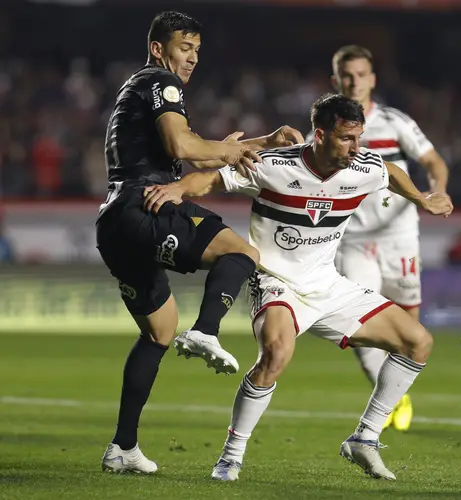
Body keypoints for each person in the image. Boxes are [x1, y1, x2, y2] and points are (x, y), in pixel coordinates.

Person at [143, 93, 453, 481]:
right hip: (276, 282)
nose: (356, 148)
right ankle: (230, 457)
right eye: (346, 139)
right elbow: (212, 178)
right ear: (319, 135)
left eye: (359, 138)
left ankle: (365, 438)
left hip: (327, 285)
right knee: (276, 353)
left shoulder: (363, 166)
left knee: (418, 342)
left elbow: (389, 172)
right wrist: (178, 190)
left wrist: (421, 199)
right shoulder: (273, 165)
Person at [96, 11, 303, 474]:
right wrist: (226, 149)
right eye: (184, 48)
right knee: (242, 253)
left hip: (114, 223)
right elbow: (181, 146)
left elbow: (193, 144)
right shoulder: (160, 83)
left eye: (196, 51)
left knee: (158, 333)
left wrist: (261, 141)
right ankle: (207, 330)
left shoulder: (140, 88)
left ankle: (123, 447)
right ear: (158, 48)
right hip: (144, 205)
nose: (191, 59)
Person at [314, 45, 450, 431]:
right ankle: (392, 396)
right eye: (346, 75)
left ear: (372, 79)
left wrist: (436, 191)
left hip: (399, 236)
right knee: (358, 325)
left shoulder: (394, 122)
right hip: (353, 240)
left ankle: (394, 390)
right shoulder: (323, 130)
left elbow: (433, 162)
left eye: (361, 74)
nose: (354, 81)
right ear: (335, 81)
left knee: (410, 330)